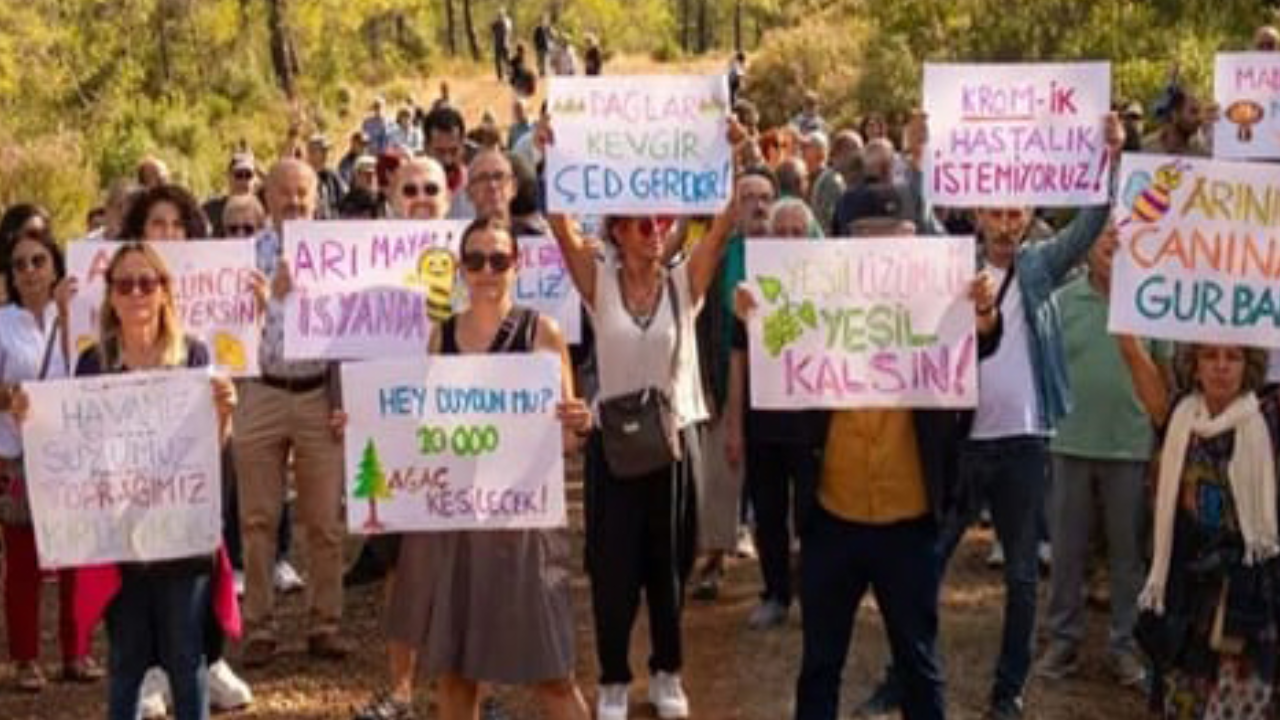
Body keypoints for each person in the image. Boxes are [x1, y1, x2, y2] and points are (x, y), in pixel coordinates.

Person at [354, 217, 592, 720]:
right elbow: (418, 428)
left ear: (517, 265)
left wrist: (578, 421)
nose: (487, 270)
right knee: (457, 673)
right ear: (462, 268)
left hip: (521, 526)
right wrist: (361, 422)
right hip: (457, 525)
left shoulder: (541, 333)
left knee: (552, 673)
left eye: (499, 260)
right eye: (476, 260)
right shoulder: (439, 337)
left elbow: (566, 439)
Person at [547, 107, 739, 716]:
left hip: (673, 442)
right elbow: (558, 224)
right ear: (619, 230)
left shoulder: (687, 283)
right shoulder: (597, 280)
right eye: (643, 222)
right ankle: (611, 680)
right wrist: (553, 154)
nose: (656, 230)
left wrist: (733, 151)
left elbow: (723, 223)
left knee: (669, 563)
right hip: (613, 445)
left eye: (662, 221)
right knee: (612, 567)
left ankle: (667, 672)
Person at [788, 193, 999, 720]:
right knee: (819, 665)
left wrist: (983, 314)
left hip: (908, 523)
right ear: (845, 247)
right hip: (832, 518)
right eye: (869, 239)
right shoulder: (814, 309)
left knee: (919, 664)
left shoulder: (937, 308)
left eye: (898, 239)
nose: (884, 252)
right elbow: (777, 355)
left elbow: (981, 344)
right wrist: (759, 314)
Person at [11, 243, 239, 720]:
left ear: (164, 293)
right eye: (125, 284)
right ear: (111, 297)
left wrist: (224, 412)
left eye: (147, 282)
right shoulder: (96, 362)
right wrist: (31, 417)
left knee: (185, 656)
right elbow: (78, 441)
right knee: (126, 660)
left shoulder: (195, 355)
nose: (137, 292)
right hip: (120, 537)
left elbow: (211, 449)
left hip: (181, 533)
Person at [118, 182, 257, 718]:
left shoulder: (218, 276)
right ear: (139, 232)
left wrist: (259, 307)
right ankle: (153, 669)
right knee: (143, 553)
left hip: (202, 437)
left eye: (178, 224)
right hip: (137, 448)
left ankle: (210, 656)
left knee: (207, 543)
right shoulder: (125, 281)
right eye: (158, 224)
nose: (169, 234)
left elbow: (238, 350)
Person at [1034, 226, 1170, 689]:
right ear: (1086, 247)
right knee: (1067, 552)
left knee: (1128, 554)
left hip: (1130, 444)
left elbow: (1164, 379)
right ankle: (1063, 640)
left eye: (1121, 238)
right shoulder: (1063, 301)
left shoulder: (1152, 301)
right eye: (1103, 237)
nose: (1112, 245)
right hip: (1069, 443)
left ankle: (1125, 645)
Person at [1120, 340, 1279, 719]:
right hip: (1186, 595)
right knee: (1181, 702)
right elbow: (1134, 357)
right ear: (1193, 364)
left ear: (1249, 365)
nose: (1221, 366)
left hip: (1250, 596)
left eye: (1233, 357)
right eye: (1210, 355)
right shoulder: (1177, 416)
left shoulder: (1269, 419)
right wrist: (1123, 316)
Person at [235, 159, 352, 669]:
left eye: (303, 192)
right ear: (267, 198)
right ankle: (258, 627)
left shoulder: (340, 255)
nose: (294, 201)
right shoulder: (242, 257)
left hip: (317, 394)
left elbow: (361, 327)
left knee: (324, 520)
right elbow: (215, 327)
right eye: (283, 192)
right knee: (258, 519)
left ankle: (325, 623)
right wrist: (261, 305)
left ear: (316, 195)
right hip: (259, 392)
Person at [0, 219, 100, 693]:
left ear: (55, 263)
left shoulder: (82, 314)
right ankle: (24, 658)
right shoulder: (2, 324)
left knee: (76, 554)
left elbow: (89, 370)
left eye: (38, 260)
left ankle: (76, 651)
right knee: (23, 560)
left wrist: (66, 315)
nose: (30, 271)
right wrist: (7, 399)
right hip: (18, 453)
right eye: (19, 264)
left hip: (73, 449)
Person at [722, 199, 824, 632]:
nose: (788, 238)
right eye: (780, 231)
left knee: (812, 514)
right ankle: (776, 593)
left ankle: (816, 594)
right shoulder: (750, 290)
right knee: (767, 513)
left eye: (797, 230)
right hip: (764, 421)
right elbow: (738, 359)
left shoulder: (831, 289)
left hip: (813, 422)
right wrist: (733, 424)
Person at [204, 153, 258, 237]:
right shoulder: (210, 210)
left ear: (255, 179)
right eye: (238, 175)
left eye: (248, 175)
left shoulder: (263, 211)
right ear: (229, 177)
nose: (243, 181)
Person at [307, 134, 346, 220]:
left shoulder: (332, 175)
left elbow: (346, 199)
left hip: (331, 228)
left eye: (327, 151)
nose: (326, 154)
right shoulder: (303, 177)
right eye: (322, 151)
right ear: (311, 152)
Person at [491, 8, 513, 81]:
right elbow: (493, 31)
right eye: (499, 14)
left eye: (502, 14)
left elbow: (509, 32)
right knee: (498, 61)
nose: (500, 15)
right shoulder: (495, 23)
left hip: (505, 44)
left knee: (507, 60)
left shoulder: (507, 22)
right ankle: (500, 76)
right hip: (498, 44)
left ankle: (508, 74)